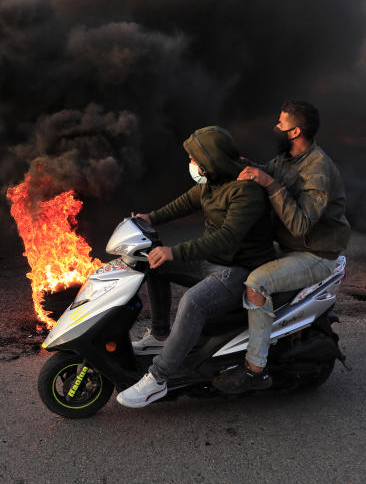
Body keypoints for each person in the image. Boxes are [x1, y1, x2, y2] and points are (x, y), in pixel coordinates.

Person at [116, 126, 276, 408]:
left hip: (239, 269)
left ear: (210, 161)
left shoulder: (245, 191)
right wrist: (150, 218)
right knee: (152, 262)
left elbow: (226, 239)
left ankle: (158, 379)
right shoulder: (214, 180)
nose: (191, 165)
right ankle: (160, 334)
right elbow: (187, 201)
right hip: (214, 260)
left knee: (193, 302)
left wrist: (174, 252)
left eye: (194, 160)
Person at [213, 101, 350, 393]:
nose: (275, 128)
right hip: (290, 248)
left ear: (295, 130)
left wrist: (267, 182)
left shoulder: (318, 170)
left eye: (280, 124)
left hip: (315, 254)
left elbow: (300, 224)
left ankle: (255, 368)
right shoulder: (288, 158)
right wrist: (235, 162)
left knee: (256, 283)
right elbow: (266, 171)